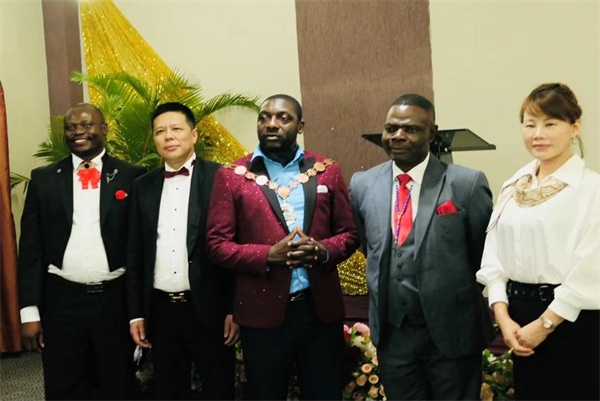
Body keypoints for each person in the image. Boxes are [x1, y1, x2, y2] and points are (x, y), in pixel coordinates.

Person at [206, 94, 359, 400]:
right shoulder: (232, 176)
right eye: (264, 118)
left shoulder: (327, 170)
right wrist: (267, 255)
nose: (271, 124)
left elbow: (350, 234)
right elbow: (216, 245)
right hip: (262, 315)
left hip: (319, 312)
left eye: (283, 118)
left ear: (300, 126)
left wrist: (323, 251)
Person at [350, 94, 495, 400]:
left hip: (452, 331)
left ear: (432, 132)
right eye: (391, 128)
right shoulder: (362, 184)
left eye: (411, 129)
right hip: (394, 334)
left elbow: (482, 253)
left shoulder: (466, 184)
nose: (398, 136)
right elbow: (369, 245)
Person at [476, 83, 599, 400]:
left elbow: (590, 269)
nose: (538, 134)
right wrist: (503, 317)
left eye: (550, 124)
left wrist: (544, 324)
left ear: (575, 127)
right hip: (518, 318)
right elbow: (494, 256)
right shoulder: (514, 186)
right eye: (530, 125)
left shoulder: (591, 189)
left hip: (572, 321)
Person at [17, 103, 145, 399]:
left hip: (114, 301)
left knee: (117, 384)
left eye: (86, 125)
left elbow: (140, 249)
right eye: (71, 127)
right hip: (61, 301)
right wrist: (29, 312)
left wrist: (138, 312)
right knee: (64, 385)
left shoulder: (132, 176)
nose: (78, 132)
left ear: (104, 129)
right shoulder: (44, 178)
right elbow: (31, 249)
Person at [126, 102, 238, 400]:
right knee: (168, 389)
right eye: (160, 131)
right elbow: (135, 255)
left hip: (210, 308)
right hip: (161, 310)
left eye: (176, 129)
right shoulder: (142, 186)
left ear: (194, 134)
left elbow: (235, 247)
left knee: (218, 387)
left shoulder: (221, 177)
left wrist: (233, 307)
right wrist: (136, 313)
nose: (168, 137)